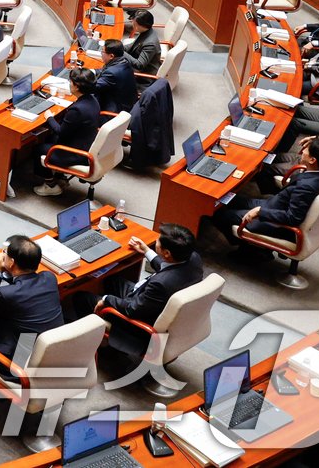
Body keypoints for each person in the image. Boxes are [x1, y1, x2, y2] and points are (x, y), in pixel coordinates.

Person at [80, 224, 203, 356]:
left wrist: (106, 300)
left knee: (82, 297)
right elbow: (169, 269)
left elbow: (131, 310)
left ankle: (99, 349)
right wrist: (146, 251)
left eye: (158, 241)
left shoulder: (160, 284)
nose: (156, 241)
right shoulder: (193, 258)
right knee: (111, 280)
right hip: (152, 302)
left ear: (167, 253)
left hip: (140, 323)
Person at [213, 137, 319, 260]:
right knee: (227, 199)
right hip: (275, 204)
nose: (303, 150)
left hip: (275, 221)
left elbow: (292, 218)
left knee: (218, 213)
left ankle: (251, 248)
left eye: (306, 149)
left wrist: (260, 212)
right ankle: (253, 246)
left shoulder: (307, 187)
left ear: (312, 160)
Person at [0, 236, 64, 365]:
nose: (2, 255)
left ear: (12, 262)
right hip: (50, 351)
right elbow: (24, 283)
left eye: (5, 253)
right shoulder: (49, 278)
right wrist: (9, 270)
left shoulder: (6, 294)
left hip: (21, 360)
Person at [33, 68, 101, 196]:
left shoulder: (77, 110)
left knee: (39, 148)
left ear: (77, 86)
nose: (69, 84)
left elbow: (60, 131)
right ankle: (60, 177)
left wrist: (49, 117)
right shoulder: (92, 100)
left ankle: (50, 184)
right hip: (86, 144)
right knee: (49, 139)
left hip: (76, 154)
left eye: (71, 82)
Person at [95, 38, 138, 112]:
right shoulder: (123, 61)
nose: (101, 53)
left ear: (111, 56)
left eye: (102, 51)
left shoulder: (112, 73)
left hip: (114, 110)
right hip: (126, 101)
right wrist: (93, 71)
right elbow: (105, 70)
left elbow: (93, 88)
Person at [123, 9, 162, 87]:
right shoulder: (147, 31)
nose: (132, 23)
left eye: (133, 22)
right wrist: (118, 46)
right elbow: (132, 46)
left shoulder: (150, 43)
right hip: (137, 68)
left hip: (141, 77)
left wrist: (121, 51)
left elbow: (139, 65)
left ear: (139, 25)